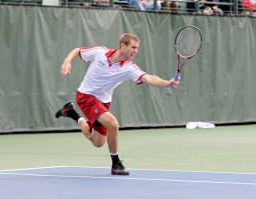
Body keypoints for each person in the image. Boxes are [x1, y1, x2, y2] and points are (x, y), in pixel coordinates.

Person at [55, 33, 179, 175]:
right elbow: (78, 51)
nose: (136, 51)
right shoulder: (100, 52)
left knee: (97, 142)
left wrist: (168, 83)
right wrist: (67, 60)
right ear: (122, 46)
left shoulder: (129, 67)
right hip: (86, 96)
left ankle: (72, 113)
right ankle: (116, 164)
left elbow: (148, 78)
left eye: (137, 48)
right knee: (113, 123)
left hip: (103, 103)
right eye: (133, 47)